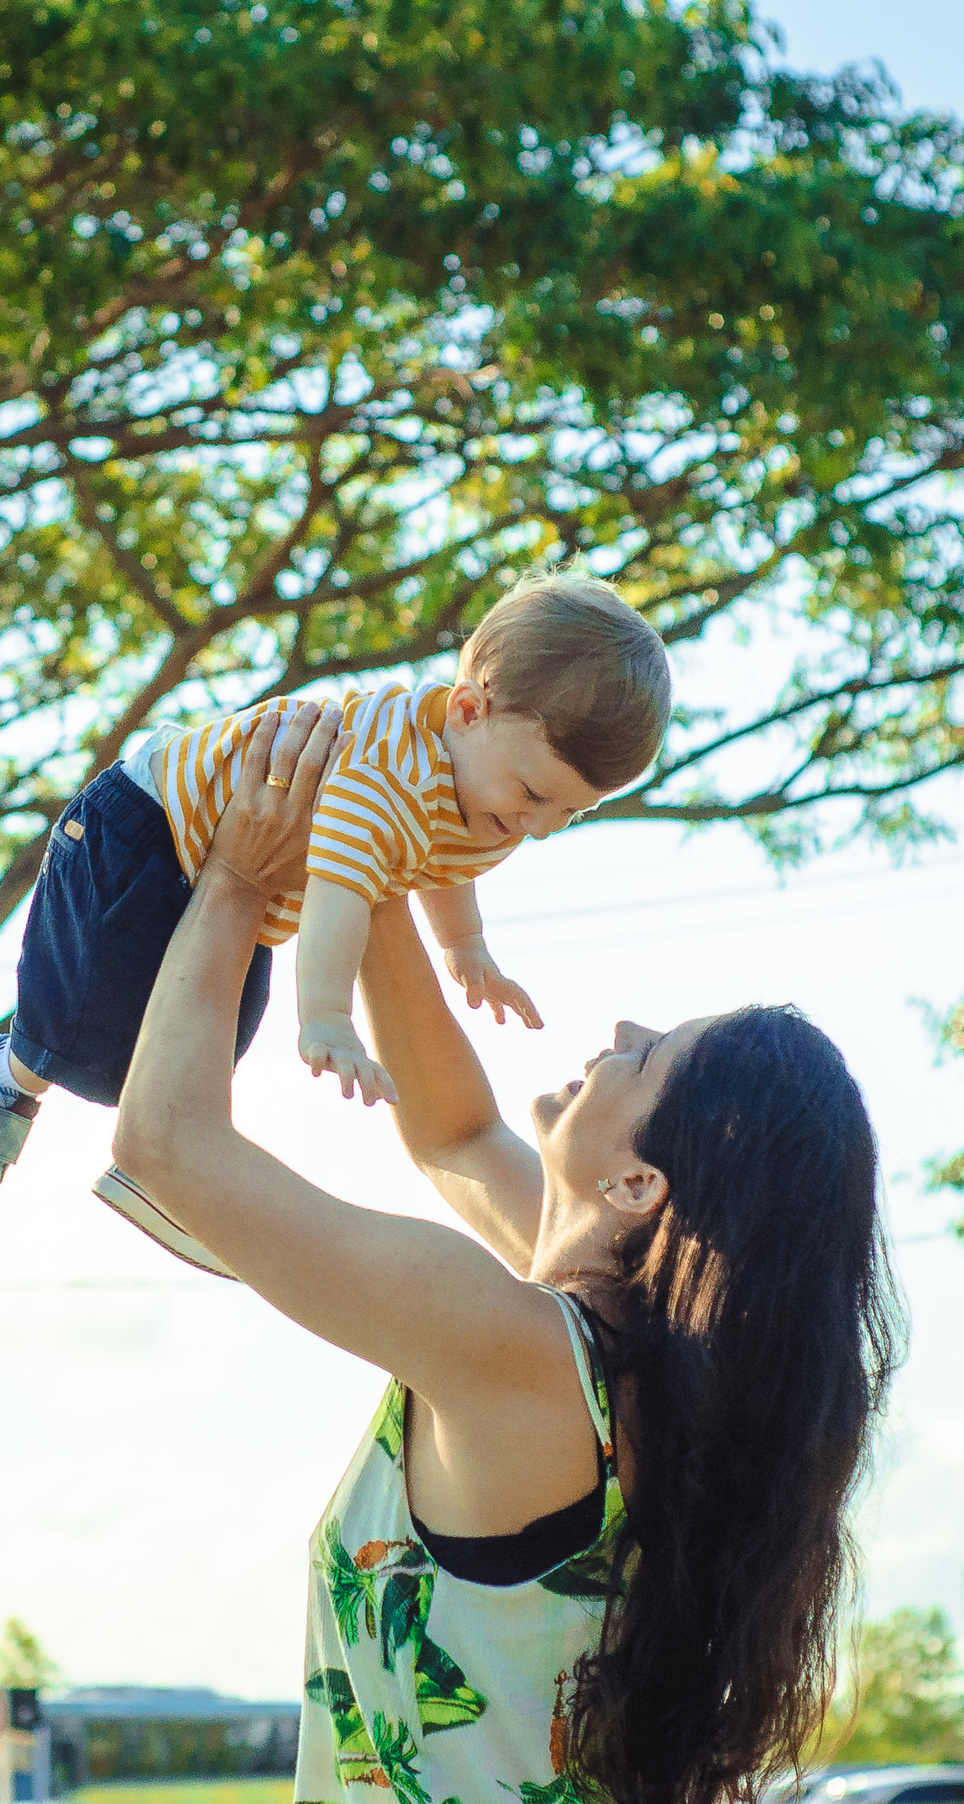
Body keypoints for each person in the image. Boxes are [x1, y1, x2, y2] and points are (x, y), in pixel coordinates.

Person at [109, 705, 904, 1804]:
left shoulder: (515, 1352)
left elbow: (167, 1144)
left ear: (639, 1185)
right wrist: (368, 838)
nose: (621, 1031)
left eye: (652, 1055)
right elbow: (454, 1136)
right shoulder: (641, 1382)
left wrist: (239, 882)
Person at [0, 567, 671, 1233]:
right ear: (470, 711)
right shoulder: (384, 779)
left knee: (213, 1040)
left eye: (571, 813)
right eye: (536, 796)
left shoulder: (489, 789)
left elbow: (447, 859)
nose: (538, 828)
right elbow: (342, 893)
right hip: (145, 828)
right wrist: (328, 1017)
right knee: (83, 1020)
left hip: (243, 876)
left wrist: (464, 948)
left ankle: (186, 1171)